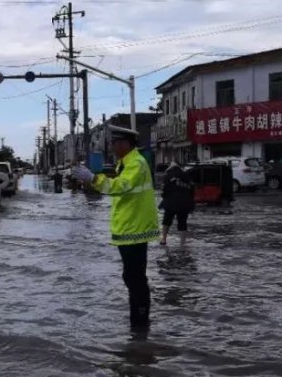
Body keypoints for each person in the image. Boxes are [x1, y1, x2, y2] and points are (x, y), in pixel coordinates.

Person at [72, 127, 161, 330]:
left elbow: (119, 186)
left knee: (135, 278)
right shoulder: (126, 163)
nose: (112, 147)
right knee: (132, 277)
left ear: (125, 144)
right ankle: (138, 325)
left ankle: (140, 324)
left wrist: (93, 178)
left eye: (115, 143)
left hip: (135, 230)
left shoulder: (136, 163)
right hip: (129, 229)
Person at [160, 161, 194, 246]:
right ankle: (182, 243)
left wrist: (165, 198)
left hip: (170, 202)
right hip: (184, 203)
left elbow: (164, 190)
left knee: (166, 221)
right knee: (183, 222)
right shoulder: (186, 175)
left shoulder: (167, 176)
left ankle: (164, 239)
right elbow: (192, 189)